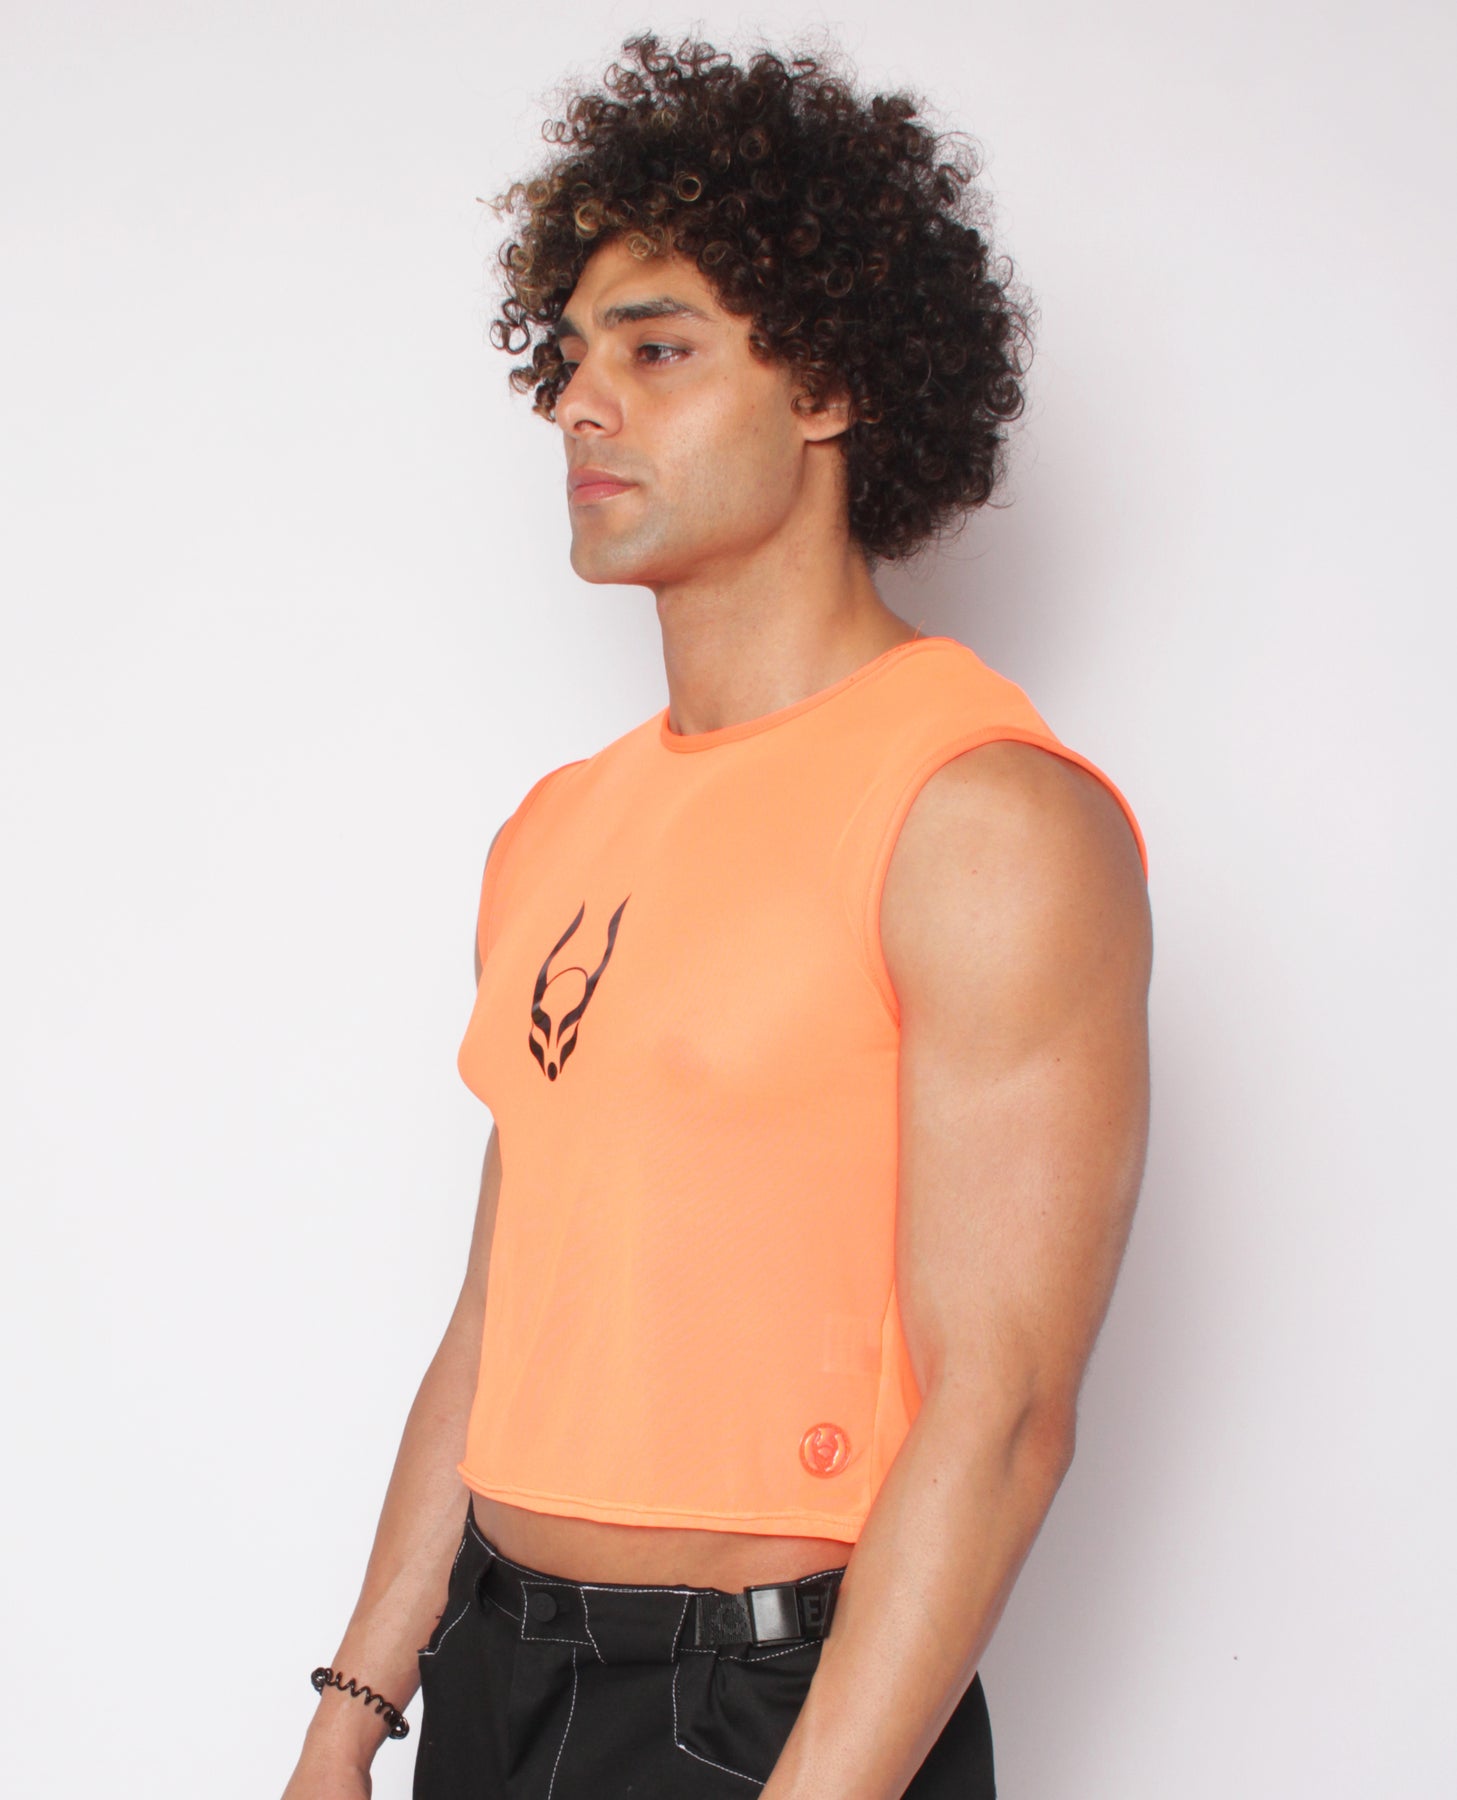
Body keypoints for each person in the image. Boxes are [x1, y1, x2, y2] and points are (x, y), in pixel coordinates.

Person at [282, 31, 1152, 1800]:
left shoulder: (976, 815)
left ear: (824, 382)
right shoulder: (555, 827)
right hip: (491, 1675)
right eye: (570, 355)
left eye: (657, 349)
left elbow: (998, 1417)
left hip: (764, 1712)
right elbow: (503, 1313)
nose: (578, 404)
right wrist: (351, 1711)